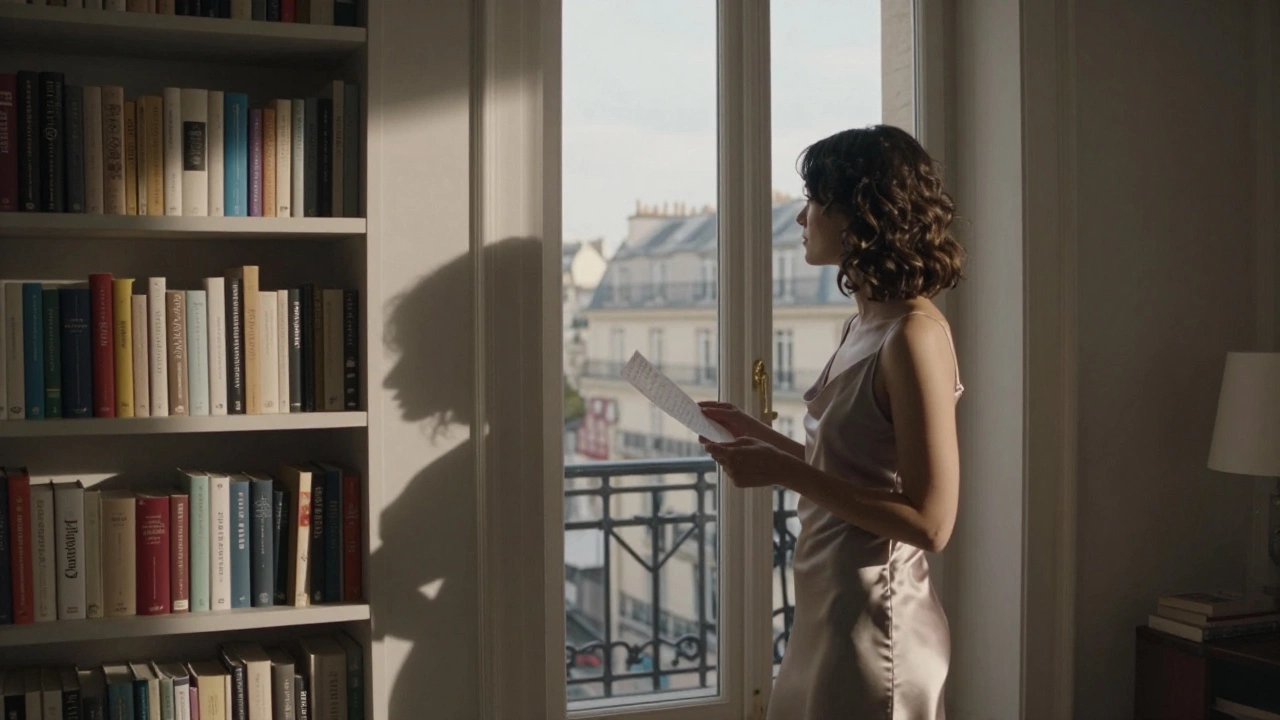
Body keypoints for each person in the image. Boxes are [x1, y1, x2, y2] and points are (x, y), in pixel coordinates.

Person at [700, 125, 965, 719]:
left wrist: (782, 472)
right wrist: (758, 436)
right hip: (829, 608)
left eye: (815, 201)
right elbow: (850, 470)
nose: (802, 217)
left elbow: (931, 523)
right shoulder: (862, 323)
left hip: (878, 623)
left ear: (859, 215)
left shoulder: (915, 335)